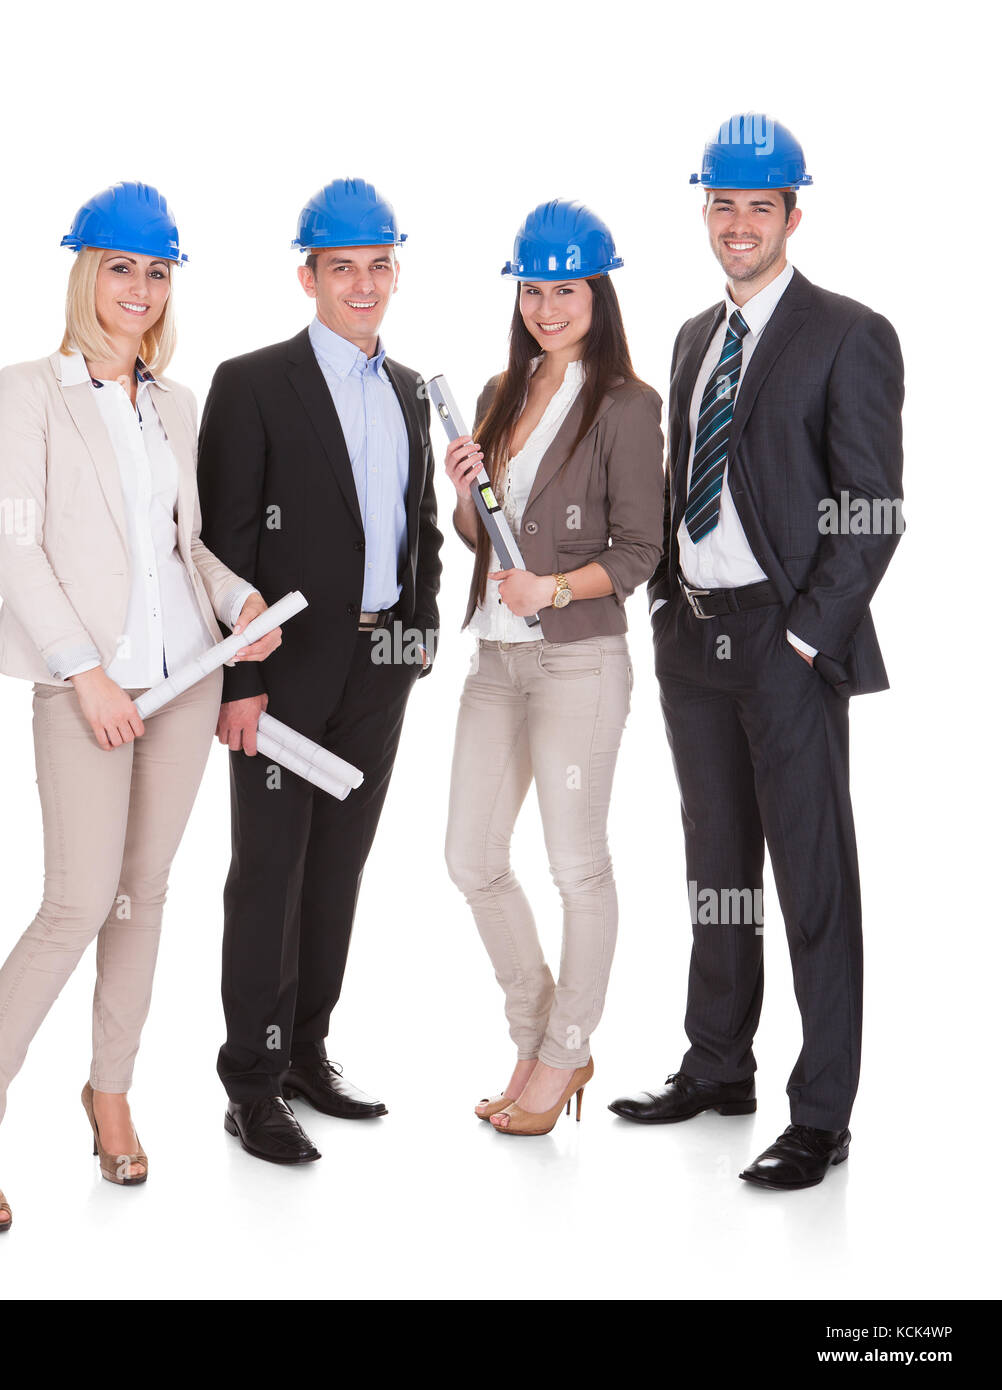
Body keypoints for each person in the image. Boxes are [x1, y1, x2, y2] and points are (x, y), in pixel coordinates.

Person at [0, 182, 278, 1231]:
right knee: (75, 901)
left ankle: (111, 1089)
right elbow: (10, 542)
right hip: (84, 682)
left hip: (184, 681)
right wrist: (82, 670)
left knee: (144, 892)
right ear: (86, 273)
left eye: (156, 271)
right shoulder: (27, 389)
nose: (139, 289)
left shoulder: (170, 403)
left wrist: (237, 598)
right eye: (121, 268)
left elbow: (187, 548)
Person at [609, 115, 905, 1189]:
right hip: (692, 635)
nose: (737, 225)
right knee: (715, 870)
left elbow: (871, 509)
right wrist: (663, 609)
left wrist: (799, 637)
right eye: (721, 205)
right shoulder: (693, 336)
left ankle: (819, 1113)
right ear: (705, 211)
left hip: (785, 644)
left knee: (810, 879)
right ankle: (716, 1063)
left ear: (792, 214)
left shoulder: (845, 332)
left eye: (757, 207)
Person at [197, 178, 443, 1165]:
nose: (362, 284)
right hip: (283, 668)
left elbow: (413, 523)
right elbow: (219, 541)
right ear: (308, 275)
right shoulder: (252, 381)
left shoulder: (408, 387)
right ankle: (250, 1084)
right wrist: (239, 685)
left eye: (377, 266)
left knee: (336, 867)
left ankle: (305, 1052)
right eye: (341, 267)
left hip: (379, 663)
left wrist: (418, 632)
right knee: (268, 872)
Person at [443, 200, 664, 1136]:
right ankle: (536, 1035)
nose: (546, 305)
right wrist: (462, 495)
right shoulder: (500, 391)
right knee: (470, 856)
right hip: (497, 655)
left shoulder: (626, 405)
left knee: (577, 865)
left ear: (597, 293)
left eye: (565, 288)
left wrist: (558, 589)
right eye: (533, 288)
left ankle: (568, 1049)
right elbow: (480, 539)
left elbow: (640, 552)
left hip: (579, 662)